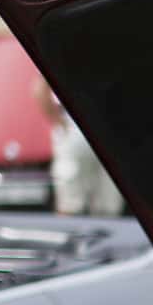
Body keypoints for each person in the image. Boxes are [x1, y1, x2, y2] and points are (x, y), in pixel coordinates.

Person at [32, 76, 124, 217]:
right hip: (74, 129)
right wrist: (60, 122)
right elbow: (41, 89)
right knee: (71, 203)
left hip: (107, 126)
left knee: (106, 205)